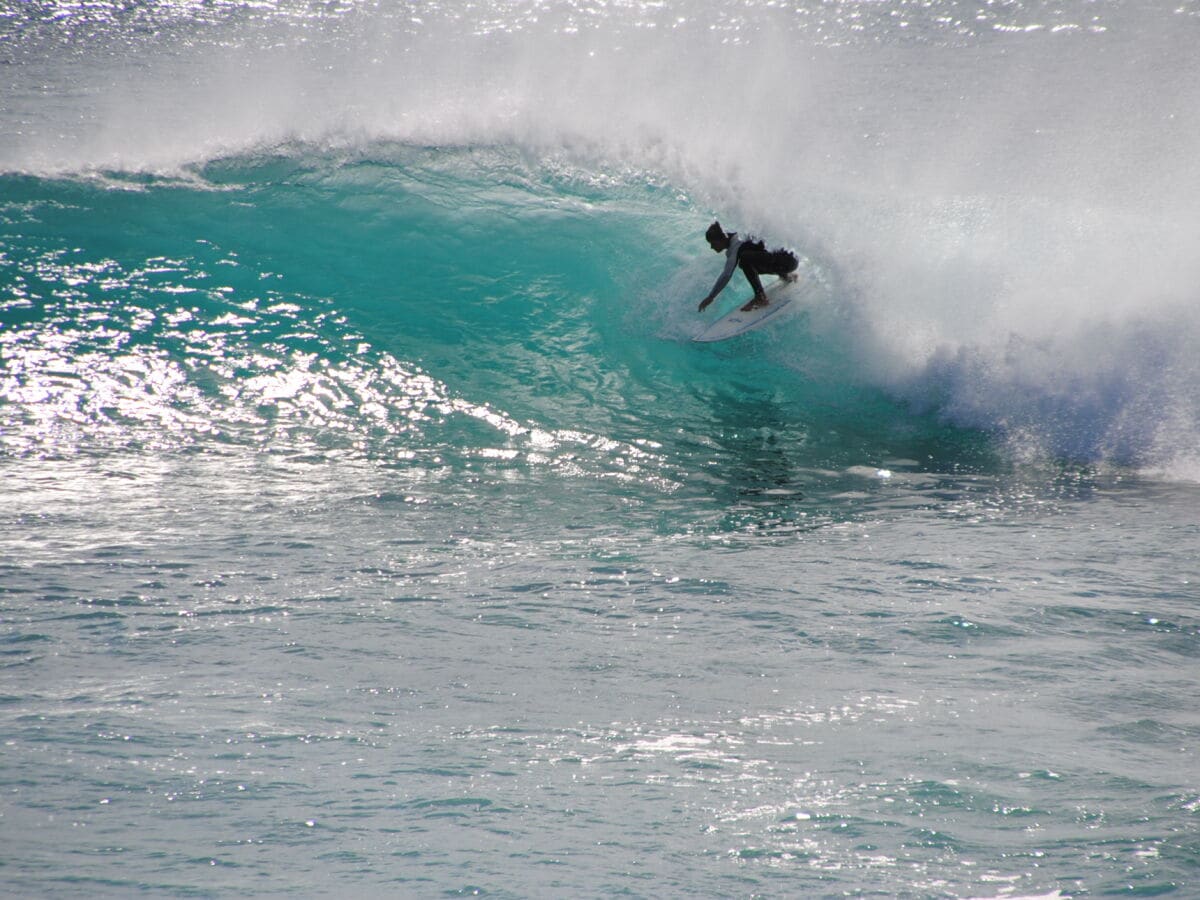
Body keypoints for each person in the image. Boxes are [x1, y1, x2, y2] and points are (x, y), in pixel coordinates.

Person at [697, 221, 798, 312]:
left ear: (722, 239)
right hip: (792, 258)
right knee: (751, 259)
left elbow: (726, 274)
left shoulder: (736, 246)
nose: (712, 247)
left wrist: (711, 297)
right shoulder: (738, 236)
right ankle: (786, 275)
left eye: (713, 243)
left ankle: (760, 297)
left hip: (788, 261)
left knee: (745, 259)